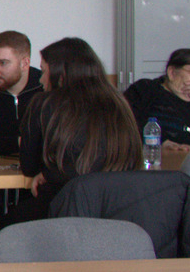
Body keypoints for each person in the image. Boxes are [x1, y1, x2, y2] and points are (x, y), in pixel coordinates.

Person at [16, 37, 142, 224]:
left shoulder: (45, 104)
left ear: (61, 74)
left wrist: (50, 174)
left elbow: (29, 167)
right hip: (119, 213)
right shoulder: (119, 102)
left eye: (43, 72)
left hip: (64, 211)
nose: (41, 80)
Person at [122, 48, 190, 150]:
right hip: (157, 158)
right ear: (172, 73)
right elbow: (125, 121)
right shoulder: (145, 89)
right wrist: (161, 141)